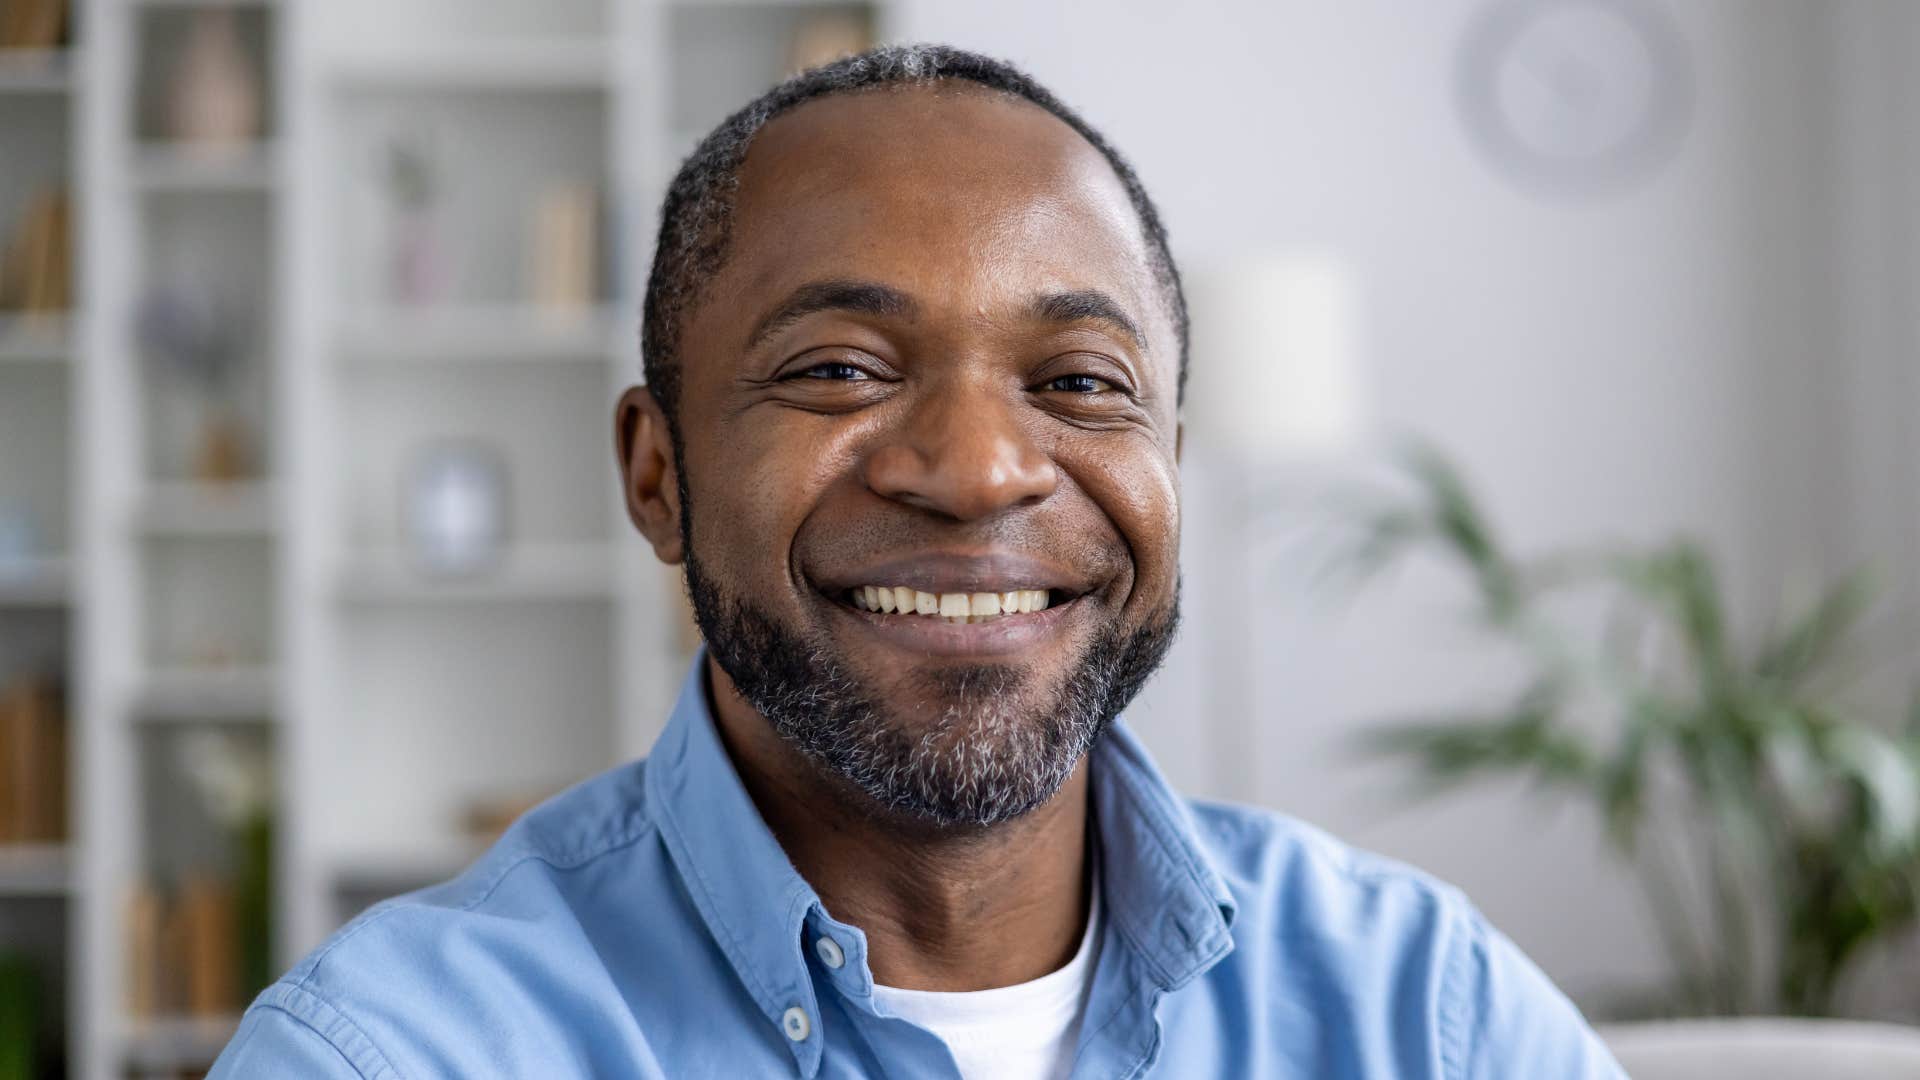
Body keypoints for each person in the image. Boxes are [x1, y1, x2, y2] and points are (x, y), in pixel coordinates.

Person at [210, 44, 1625, 1079]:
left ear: (1171, 464)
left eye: (1079, 382)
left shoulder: (1423, 1011)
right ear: (658, 476)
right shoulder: (396, 1053)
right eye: (838, 367)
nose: (978, 469)